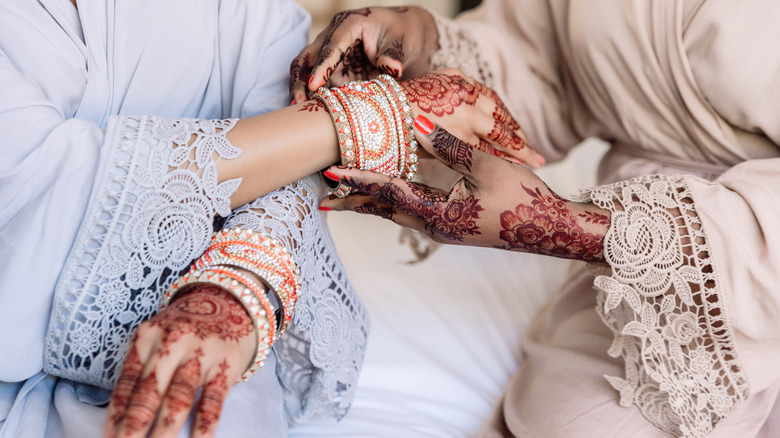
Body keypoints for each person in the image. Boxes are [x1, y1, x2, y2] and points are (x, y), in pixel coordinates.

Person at [0, 1, 534, 437]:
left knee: (205, 404)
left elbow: (285, 160)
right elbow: (38, 194)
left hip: (207, 298)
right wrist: (366, 115)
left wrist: (233, 292)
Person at [295, 2, 780, 437]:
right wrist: (425, 44)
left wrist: (568, 227)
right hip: (634, 229)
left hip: (738, 274)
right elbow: (548, 61)